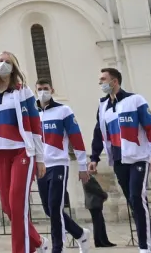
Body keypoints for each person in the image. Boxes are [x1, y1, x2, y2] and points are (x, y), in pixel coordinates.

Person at [0, 51, 47, 253]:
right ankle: (37, 243)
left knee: (17, 206)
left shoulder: (23, 92)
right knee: (8, 208)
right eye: (0, 61)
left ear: (14, 66)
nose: (3, 64)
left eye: (8, 62)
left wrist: (40, 158)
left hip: (22, 153)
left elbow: (35, 126)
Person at [90, 67, 151, 253]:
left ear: (114, 81)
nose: (100, 83)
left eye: (103, 79)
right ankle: (149, 244)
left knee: (138, 198)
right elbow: (99, 132)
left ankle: (146, 248)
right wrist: (94, 157)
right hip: (119, 159)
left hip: (138, 157)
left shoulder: (135, 100)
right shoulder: (103, 106)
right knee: (133, 201)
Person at [34, 79, 90, 253]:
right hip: (40, 166)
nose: (43, 92)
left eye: (46, 89)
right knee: (49, 209)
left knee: (55, 206)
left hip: (58, 164)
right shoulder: (33, 114)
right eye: (40, 89)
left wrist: (82, 166)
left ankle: (58, 248)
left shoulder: (63, 111)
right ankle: (81, 234)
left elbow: (76, 138)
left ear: (52, 90)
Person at [82, 174, 114, 248]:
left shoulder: (88, 176)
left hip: (94, 202)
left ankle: (105, 240)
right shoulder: (87, 177)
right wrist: (104, 195)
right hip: (93, 202)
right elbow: (96, 189)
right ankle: (99, 242)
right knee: (98, 223)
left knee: (101, 223)